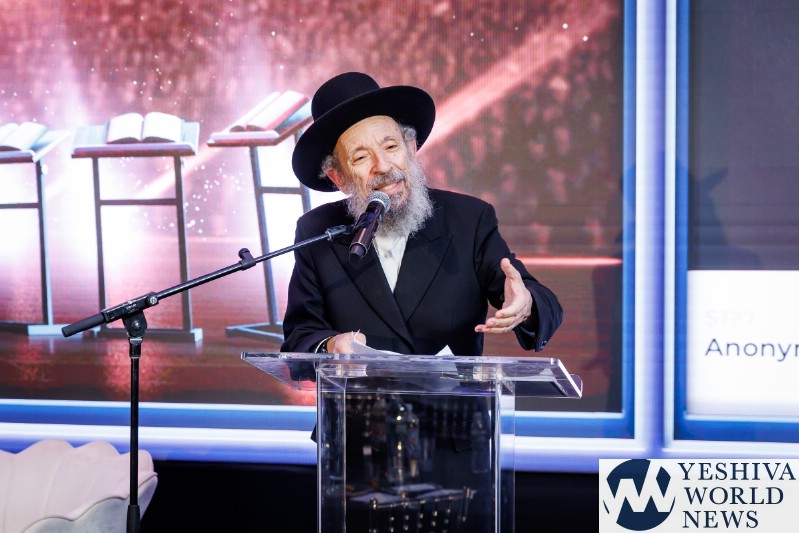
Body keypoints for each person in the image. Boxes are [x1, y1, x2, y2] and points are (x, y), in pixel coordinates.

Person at [281, 72, 562, 356]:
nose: (383, 166)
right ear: (339, 177)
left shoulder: (469, 219)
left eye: (391, 146)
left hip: (451, 387)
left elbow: (537, 298)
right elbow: (300, 335)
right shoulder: (316, 232)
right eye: (361, 157)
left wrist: (526, 305)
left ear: (411, 148)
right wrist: (330, 345)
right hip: (359, 387)